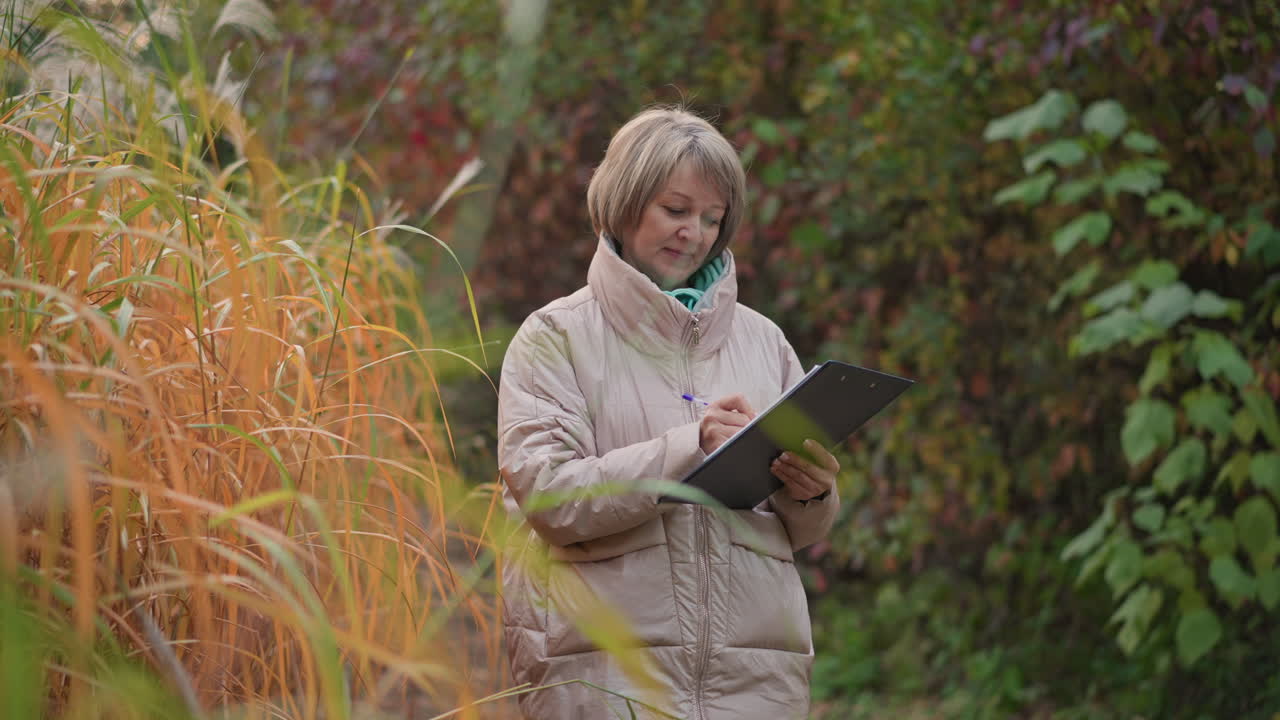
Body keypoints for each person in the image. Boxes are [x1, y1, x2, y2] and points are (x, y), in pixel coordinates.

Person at [497, 106, 841, 720]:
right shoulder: (555, 337)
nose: (697, 233)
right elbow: (548, 496)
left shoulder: (765, 342)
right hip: (606, 681)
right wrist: (691, 448)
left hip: (756, 688)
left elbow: (803, 533)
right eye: (676, 210)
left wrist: (811, 494)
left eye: (713, 218)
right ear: (624, 205)